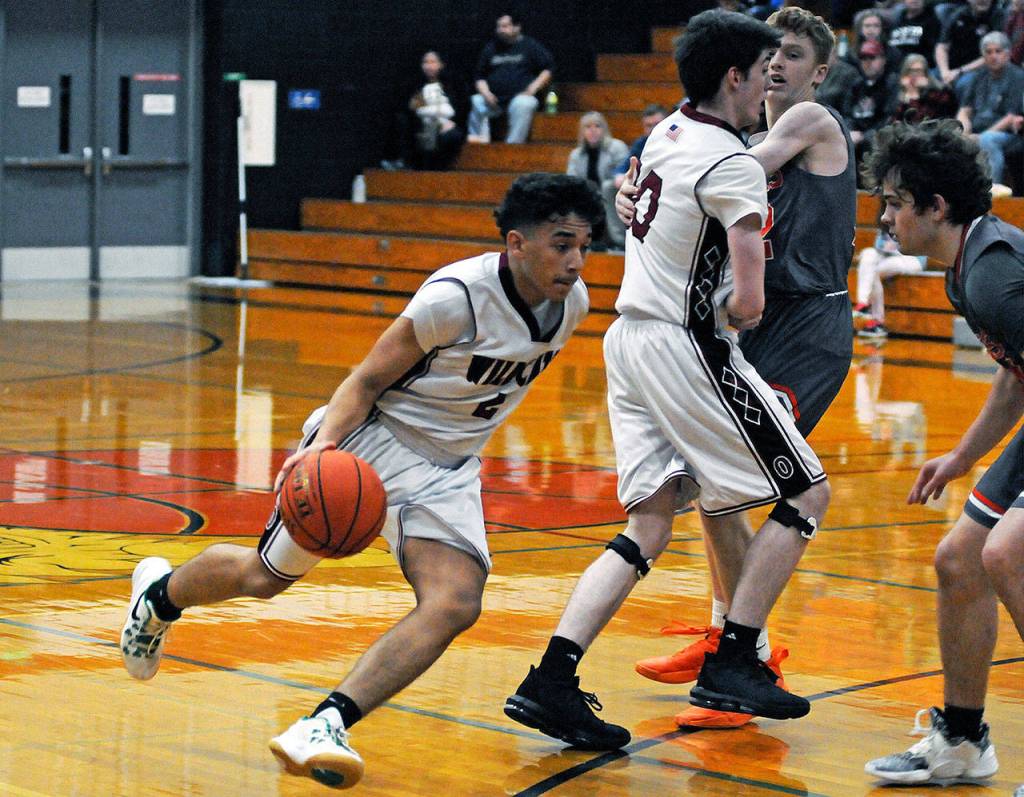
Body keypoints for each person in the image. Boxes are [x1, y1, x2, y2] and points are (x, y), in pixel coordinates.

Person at [118, 173, 605, 788]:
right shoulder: (454, 298)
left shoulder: (576, 304)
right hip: (370, 443)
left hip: (447, 469)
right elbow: (366, 381)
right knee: (264, 579)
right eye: (561, 244)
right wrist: (321, 449)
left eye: (584, 245)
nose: (575, 261)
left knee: (455, 602)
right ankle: (158, 600)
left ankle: (324, 724)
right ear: (515, 243)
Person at [504, 9, 832, 752]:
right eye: (762, 70)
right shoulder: (734, 161)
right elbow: (748, 302)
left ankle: (551, 677)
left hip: (627, 340)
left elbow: (638, 205)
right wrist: (738, 307)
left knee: (649, 523)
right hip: (686, 345)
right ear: (734, 76)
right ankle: (735, 657)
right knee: (807, 489)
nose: (768, 84)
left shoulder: (665, 134)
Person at [624, 6, 858, 729]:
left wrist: (647, 179)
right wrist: (638, 186)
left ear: (818, 71)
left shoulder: (810, 123)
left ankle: (745, 648)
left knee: (772, 486)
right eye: (772, 55)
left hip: (807, 326)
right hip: (747, 321)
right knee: (712, 486)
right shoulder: (737, 138)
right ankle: (729, 636)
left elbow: (715, 174)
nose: (779, 65)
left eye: (793, 55)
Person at [861, 119, 1023, 787]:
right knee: (959, 559)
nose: (886, 217)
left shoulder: (993, 277)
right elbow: (1018, 373)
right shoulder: (965, 270)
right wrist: (961, 456)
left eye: (896, 203)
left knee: (1005, 552)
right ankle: (961, 741)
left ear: (937, 208)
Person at [467, 12, 554, 144]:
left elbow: (548, 69)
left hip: (519, 97)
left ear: (517, 27)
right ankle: (478, 145)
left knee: (524, 103)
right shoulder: (491, 48)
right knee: (476, 100)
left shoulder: (530, 45)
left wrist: (533, 88)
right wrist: (486, 93)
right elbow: (479, 77)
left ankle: (512, 147)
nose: (501, 30)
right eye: (499, 26)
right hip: (494, 100)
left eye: (505, 26)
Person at [956, 32, 1024, 191]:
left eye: (998, 51)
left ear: (1007, 54)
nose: (994, 56)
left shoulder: (1018, 77)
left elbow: (1011, 117)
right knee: (951, 139)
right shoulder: (977, 77)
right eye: (989, 52)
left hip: (1009, 135)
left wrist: (978, 138)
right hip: (977, 132)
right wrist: (965, 134)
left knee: (989, 140)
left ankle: (990, 194)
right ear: (983, 56)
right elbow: (965, 111)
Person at [381, 50, 467, 171]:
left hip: (446, 125)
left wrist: (449, 123)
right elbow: (413, 108)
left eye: (433, 62)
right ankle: (405, 163)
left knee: (453, 135)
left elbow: (456, 109)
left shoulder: (451, 84)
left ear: (441, 64)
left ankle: (441, 169)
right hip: (422, 123)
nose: (429, 66)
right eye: (425, 62)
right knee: (402, 122)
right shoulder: (416, 84)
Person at [603, 105, 669, 248]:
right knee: (609, 187)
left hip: (666, 188)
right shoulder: (641, 143)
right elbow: (624, 166)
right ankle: (620, 242)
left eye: (657, 125)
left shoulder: (676, 143)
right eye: (648, 126)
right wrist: (619, 176)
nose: (652, 130)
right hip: (641, 188)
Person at [852, 222, 926, 339]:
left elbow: (919, 246)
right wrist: (886, 247)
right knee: (867, 254)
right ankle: (863, 304)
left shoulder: (914, 216)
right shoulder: (887, 217)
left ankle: (877, 321)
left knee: (874, 271)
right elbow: (879, 244)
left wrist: (897, 247)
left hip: (911, 258)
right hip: (887, 256)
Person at [565, 111, 628, 250]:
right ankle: (578, 241)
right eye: (588, 127)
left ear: (604, 129)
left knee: (607, 187)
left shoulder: (617, 147)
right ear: (582, 131)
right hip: (590, 198)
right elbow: (571, 180)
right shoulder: (576, 154)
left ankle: (619, 241)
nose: (593, 131)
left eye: (597, 126)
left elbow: (623, 174)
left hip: (612, 196)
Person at [843, 39, 901, 172]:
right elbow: (847, 113)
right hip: (856, 135)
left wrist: (864, 136)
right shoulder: (856, 85)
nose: (867, 62)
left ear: (883, 59)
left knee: (872, 143)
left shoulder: (891, 84)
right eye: (863, 58)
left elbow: (890, 116)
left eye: (872, 57)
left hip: (877, 136)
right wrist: (850, 132)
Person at [935, 0, 1008, 101]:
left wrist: (959, 71)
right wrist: (944, 72)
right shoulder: (958, 14)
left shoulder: (998, 16)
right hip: (951, 68)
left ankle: (963, 115)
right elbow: (942, 46)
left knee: (963, 84)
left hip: (979, 69)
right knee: (929, 79)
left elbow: (993, 55)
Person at [889, 53, 959, 125]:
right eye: (911, 71)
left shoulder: (939, 93)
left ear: (925, 73)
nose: (914, 75)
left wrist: (918, 95)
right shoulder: (896, 91)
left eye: (918, 71)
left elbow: (923, 120)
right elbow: (895, 121)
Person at [889, 0, 945, 68]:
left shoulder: (932, 20)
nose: (915, 0)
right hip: (896, 68)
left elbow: (935, 51)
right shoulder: (897, 20)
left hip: (922, 69)